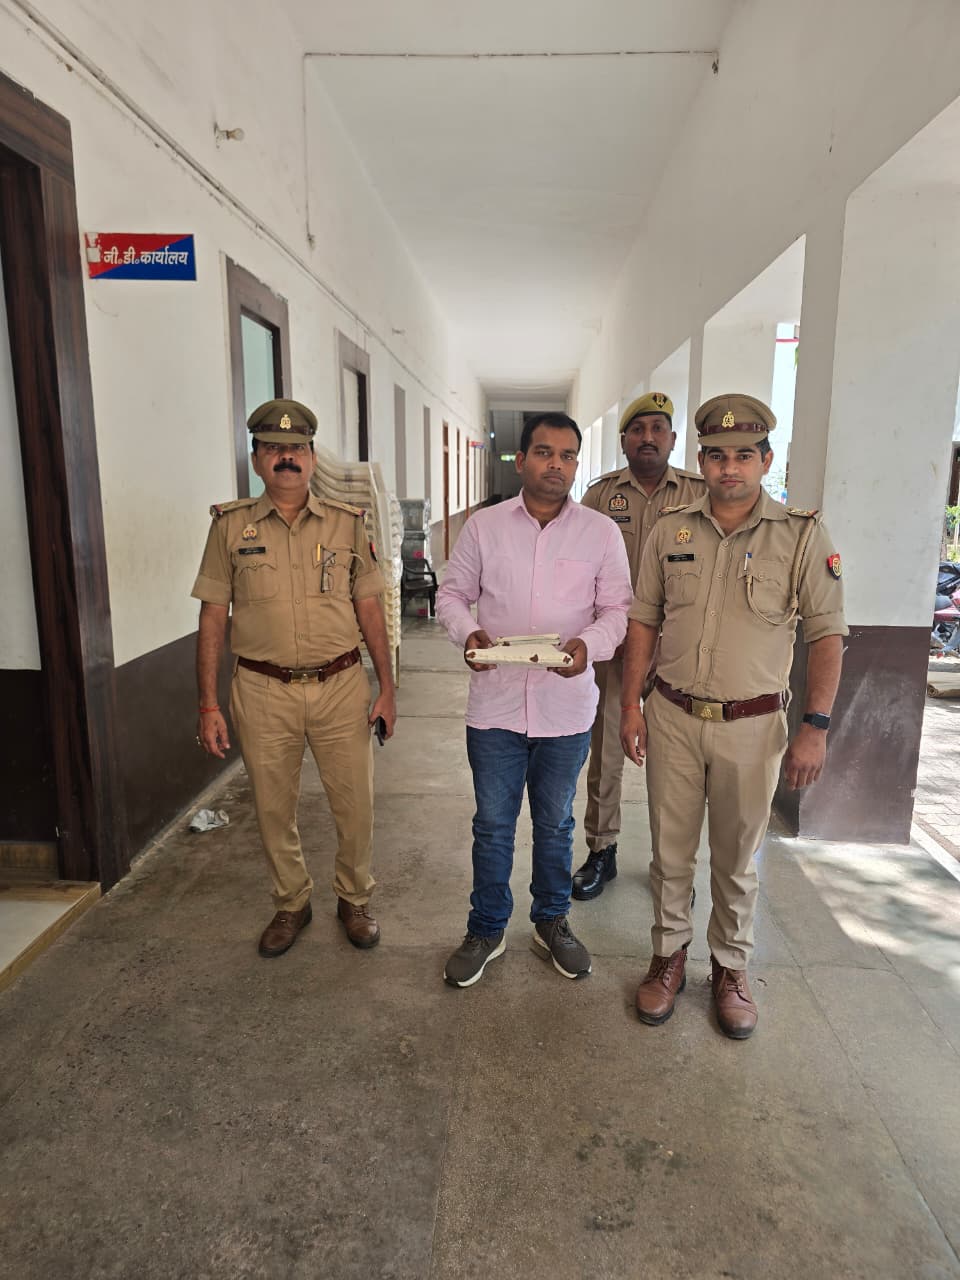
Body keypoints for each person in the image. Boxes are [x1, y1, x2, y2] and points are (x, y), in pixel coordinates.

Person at [620, 394, 846, 1039]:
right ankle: (668, 956)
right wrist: (631, 704)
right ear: (701, 461)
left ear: (765, 461)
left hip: (753, 726)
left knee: (737, 858)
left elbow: (827, 634)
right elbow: (644, 620)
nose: (729, 467)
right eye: (717, 456)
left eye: (744, 455)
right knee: (669, 852)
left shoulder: (801, 535)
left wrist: (815, 726)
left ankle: (730, 967)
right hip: (672, 716)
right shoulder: (671, 529)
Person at [192, 398, 397, 958]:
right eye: (274, 448)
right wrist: (208, 704)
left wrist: (388, 688)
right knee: (272, 806)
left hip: (341, 685)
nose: (287, 457)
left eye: (297, 448)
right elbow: (213, 616)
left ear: (311, 457)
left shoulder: (347, 523)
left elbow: (370, 608)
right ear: (257, 459)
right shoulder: (229, 527)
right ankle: (291, 902)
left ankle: (354, 898)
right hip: (262, 689)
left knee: (355, 804)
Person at [435, 412, 633, 988]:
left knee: (555, 824)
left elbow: (616, 610)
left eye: (568, 455)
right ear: (521, 460)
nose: (556, 464)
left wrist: (589, 647)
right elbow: (452, 595)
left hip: (565, 709)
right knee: (493, 826)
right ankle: (487, 928)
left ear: (577, 465)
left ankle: (551, 922)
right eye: (544, 452)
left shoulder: (600, 533)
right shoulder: (484, 528)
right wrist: (467, 634)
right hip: (495, 706)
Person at [574, 392, 706, 901]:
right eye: (638, 429)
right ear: (625, 439)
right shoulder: (601, 496)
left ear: (672, 439)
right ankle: (601, 849)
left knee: (675, 762)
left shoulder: (699, 493)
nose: (648, 438)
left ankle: (670, 864)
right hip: (616, 650)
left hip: (680, 653)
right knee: (607, 752)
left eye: (658, 429)